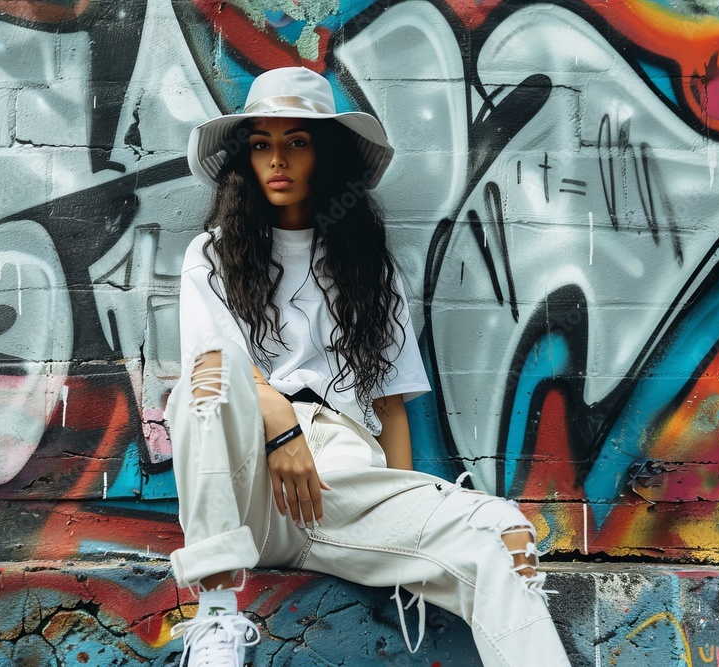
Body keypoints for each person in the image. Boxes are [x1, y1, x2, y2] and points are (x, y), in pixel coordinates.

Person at [166, 66, 572, 667]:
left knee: (502, 535)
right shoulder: (212, 254)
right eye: (261, 145)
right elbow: (212, 359)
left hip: (339, 485)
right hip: (246, 480)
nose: (277, 160)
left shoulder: (367, 266)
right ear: (244, 160)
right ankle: (219, 614)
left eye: (296, 142)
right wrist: (279, 422)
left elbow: (390, 407)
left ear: (323, 156)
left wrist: (401, 523)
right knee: (208, 377)